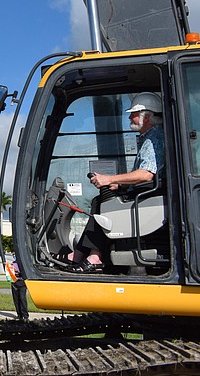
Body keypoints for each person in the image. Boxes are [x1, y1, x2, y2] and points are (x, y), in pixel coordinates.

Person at [68, 92, 166, 273]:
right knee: (101, 200)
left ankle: (94, 256)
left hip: (148, 198)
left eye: (134, 113)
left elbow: (146, 175)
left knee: (105, 201)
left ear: (147, 116)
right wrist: (120, 185)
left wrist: (110, 179)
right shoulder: (148, 138)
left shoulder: (155, 138)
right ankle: (84, 253)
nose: (130, 117)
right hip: (146, 194)